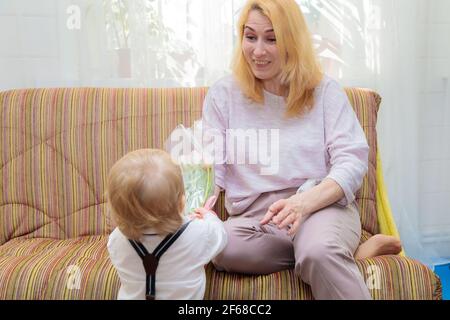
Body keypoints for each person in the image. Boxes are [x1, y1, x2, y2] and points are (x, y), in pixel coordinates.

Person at [201, 0, 401, 300]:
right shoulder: (223, 95)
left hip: (320, 207)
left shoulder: (325, 92)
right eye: (250, 36)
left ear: (292, 41)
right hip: (259, 221)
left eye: (272, 38)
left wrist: (303, 204)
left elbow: (352, 161)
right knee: (221, 246)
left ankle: (323, 253)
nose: (257, 50)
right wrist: (197, 205)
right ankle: (343, 255)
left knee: (317, 249)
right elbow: (209, 167)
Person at [106, 149, 227, 300]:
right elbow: (221, 236)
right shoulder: (199, 234)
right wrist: (209, 217)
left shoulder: (116, 240)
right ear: (182, 203)